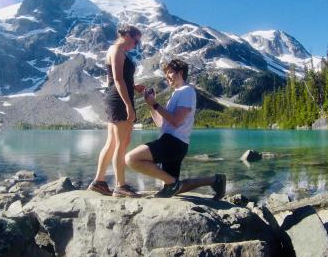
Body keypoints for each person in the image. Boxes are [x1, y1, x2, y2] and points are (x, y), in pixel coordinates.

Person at [125, 59, 226, 199]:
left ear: (180, 73)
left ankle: (172, 183)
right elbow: (162, 124)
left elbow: (177, 121)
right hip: (173, 143)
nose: (167, 76)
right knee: (174, 187)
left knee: (131, 158)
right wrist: (151, 104)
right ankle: (215, 180)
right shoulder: (176, 94)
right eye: (166, 73)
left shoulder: (187, 91)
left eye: (170, 72)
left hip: (174, 143)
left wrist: (155, 105)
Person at [87, 24, 145, 198]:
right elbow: (118, 80)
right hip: (119, 101)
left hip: (114, 99)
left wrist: (133, 86)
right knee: (122, 144)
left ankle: (99, 182)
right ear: (127, 35)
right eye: (136, 41)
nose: (136, 45)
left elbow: (113, 79)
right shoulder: (117, 50)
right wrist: (128, 105)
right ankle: (121, 186)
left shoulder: (115, 51)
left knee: (112, 143)